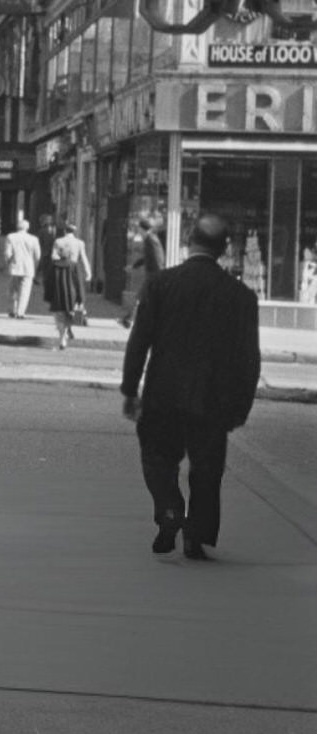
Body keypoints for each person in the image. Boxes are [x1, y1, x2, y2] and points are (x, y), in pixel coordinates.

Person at [121, 213, 261, 560]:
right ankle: (195, 536)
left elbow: (140, 340)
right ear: (224, 249)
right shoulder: (240, 296)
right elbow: (249, 359)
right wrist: (241, 407)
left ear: (189, 240)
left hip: (163, 393)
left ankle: (169, 509)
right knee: (207, 469)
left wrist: (129, 388)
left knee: (157, 457)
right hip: (214, 399)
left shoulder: (162, 284)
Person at [48, 220, 91, 348]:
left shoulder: (58, 242)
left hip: (60, 274)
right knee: (73, 303)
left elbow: (54, 257)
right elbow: (83, 258)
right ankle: (68, 328)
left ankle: (62, 337)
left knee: (60, 306)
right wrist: (88, 273)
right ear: (74, 231)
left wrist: (62, 257)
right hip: (75, 274)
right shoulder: (79, 243)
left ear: (65, 230)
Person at [119, 214, 166, 327]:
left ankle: (129, 320)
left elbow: (158, 257)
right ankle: (129, 319)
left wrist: (158, 275)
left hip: (153, 275)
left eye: (138, 228)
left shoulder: (151, 239)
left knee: (141, 298)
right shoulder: (149, 239)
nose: (137, 231)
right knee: (144, 299)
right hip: (153, 275)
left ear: (142, 228)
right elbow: (146, 257)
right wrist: (134, 266)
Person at [2, 213, 41, 318]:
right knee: (25, 291)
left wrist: (7, 263)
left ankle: (12, 310)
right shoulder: (34, 239)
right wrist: (36, 266)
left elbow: (7, 253)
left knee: (13, 290)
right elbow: (38, 256)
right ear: (27, 228)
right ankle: (21, 312)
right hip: (28, 268)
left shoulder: (11, 237)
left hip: (14, 266)